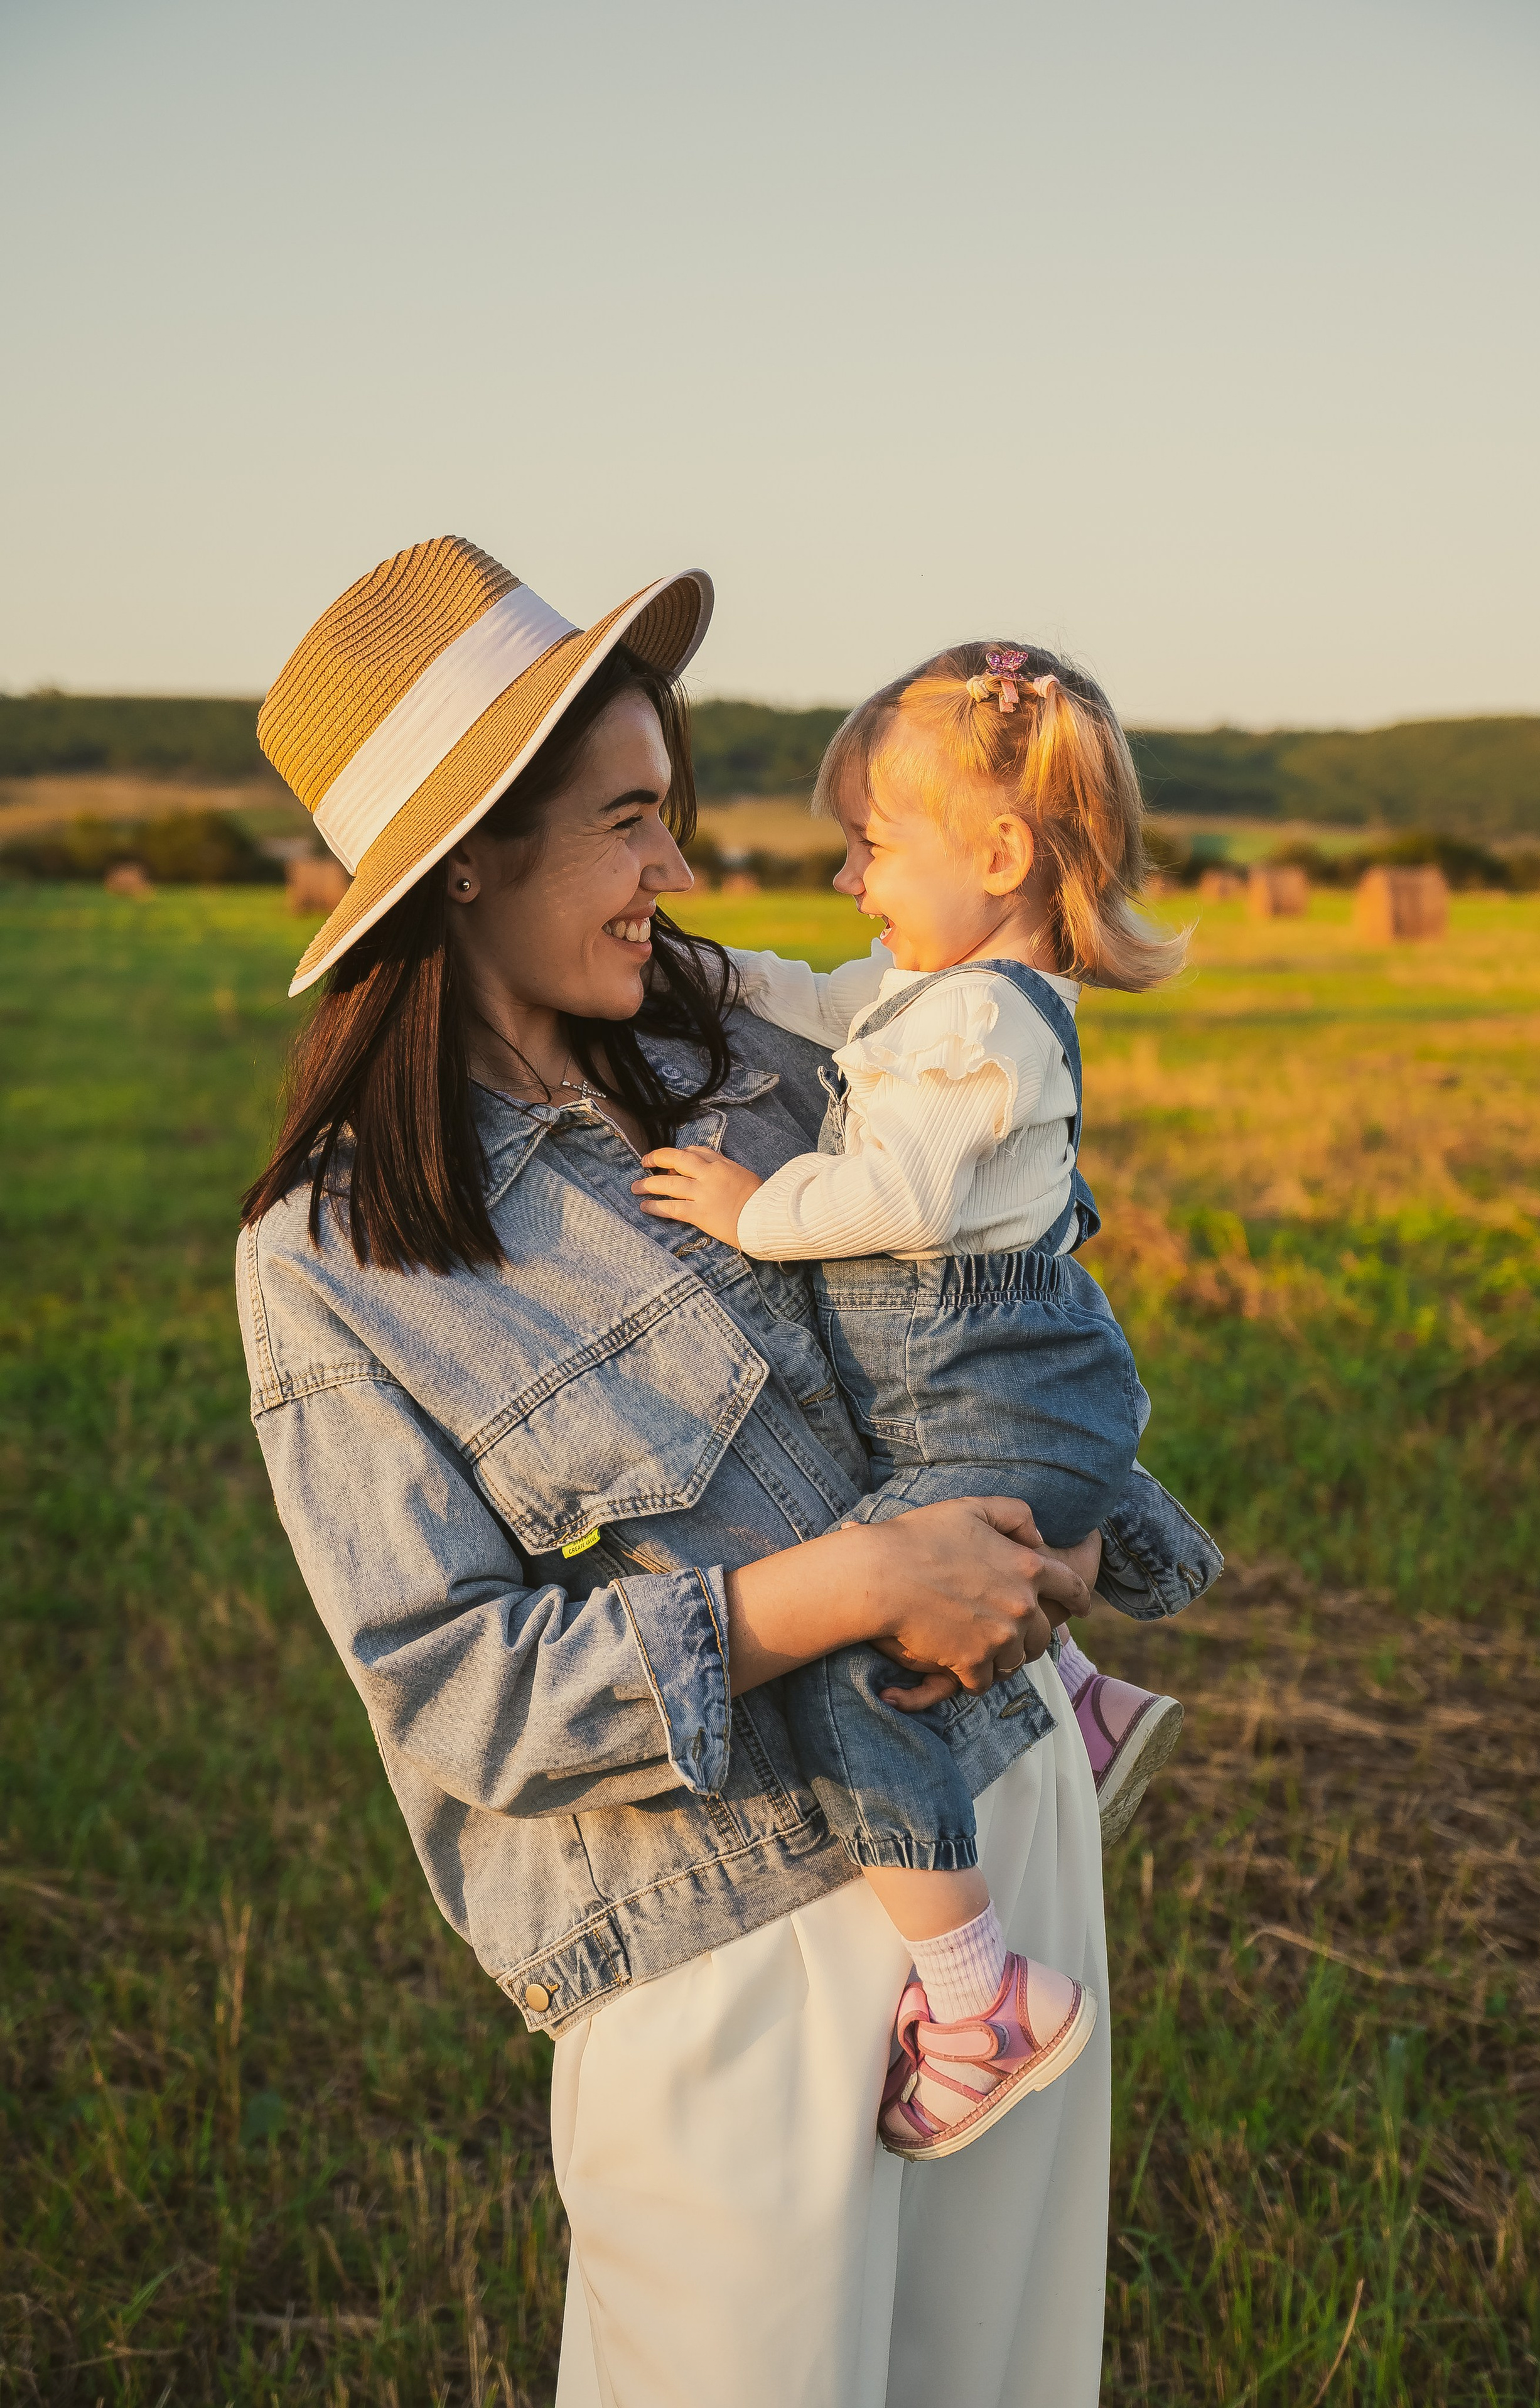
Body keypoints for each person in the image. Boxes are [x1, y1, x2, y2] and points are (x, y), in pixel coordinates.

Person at [240, 536, 1111, 2407]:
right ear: (468, 853)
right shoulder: (337, 1255)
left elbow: (1007, 1280)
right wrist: (863, 1586)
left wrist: (1060, 1516)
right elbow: (461, 1691)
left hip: (1003, 1826)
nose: (682, 869)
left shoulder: (770, 1062)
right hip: (725, 1952)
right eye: (634, 819)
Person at [632, 643, 1219, 2159]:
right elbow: (837, 1002)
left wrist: (750, 1211)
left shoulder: (991, 1028)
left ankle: (977, 1999)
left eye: (871, 846)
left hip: (985, 1386)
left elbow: (889, 1189)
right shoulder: (935, 995)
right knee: (1009, 1512)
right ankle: (1075, 1700)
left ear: (1002, 853)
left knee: (854, 1666)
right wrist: (708, 974)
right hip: (1010, 1379)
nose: (845, 877)